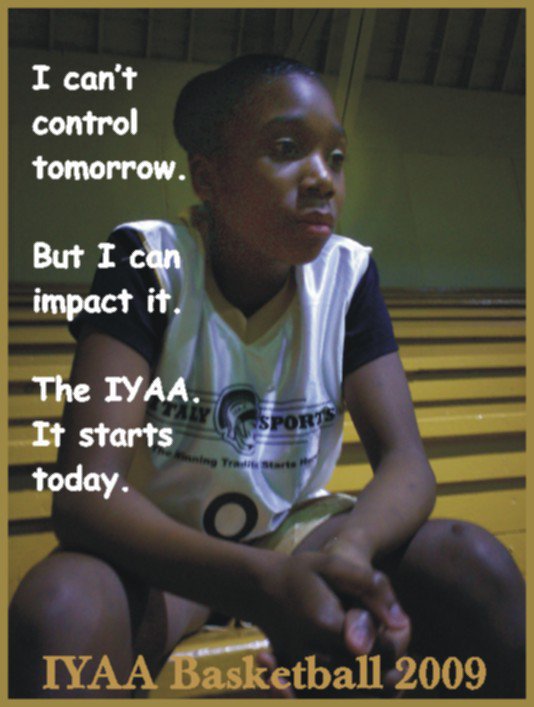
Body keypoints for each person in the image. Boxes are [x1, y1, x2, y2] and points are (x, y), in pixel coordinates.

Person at [9, 54, 525, 698]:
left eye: (336, 157)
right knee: (61, 609)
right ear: (208, 177)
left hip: (300, 535)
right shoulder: (145, 261)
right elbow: (84, 495)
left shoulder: (348, 274)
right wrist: (259, 582)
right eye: (287, 149)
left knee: (473, 564)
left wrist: (349, 553)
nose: (322, 179)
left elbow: (408, 463)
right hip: (169, 548)